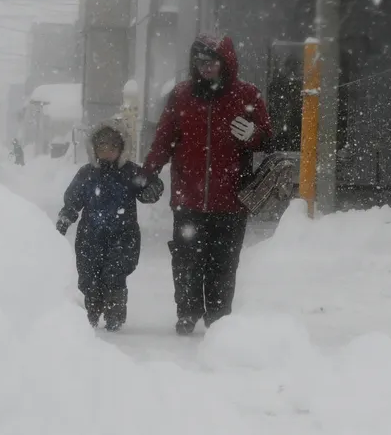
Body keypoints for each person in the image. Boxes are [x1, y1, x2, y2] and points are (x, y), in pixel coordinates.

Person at [142, 34, 273, 335]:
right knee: (186, 259)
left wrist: (253, 134)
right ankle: (187, 312)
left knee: (223, 262)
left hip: (231, 199)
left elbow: (268, 138)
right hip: (187, 198)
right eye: (200, 62)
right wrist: (148, 173)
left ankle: (218, 317)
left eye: (212, 61)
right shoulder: (181, 95)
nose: (206, 67)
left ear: (226, 62)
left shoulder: (247, 95)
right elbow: (163, 140)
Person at [56, 123, 164, 331]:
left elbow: (149, 187)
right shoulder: (87, 174)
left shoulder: (130, 172)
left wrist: (153, 188)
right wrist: (65, 218)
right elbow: (73, 200)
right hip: (90, 236)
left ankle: (115, 314)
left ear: (122, 148)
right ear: (93, 148)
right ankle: (91, 313)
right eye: (102, 146)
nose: (107, 151)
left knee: (115, 275)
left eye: (113, 147)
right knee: (89, 277)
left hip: (123, 236)